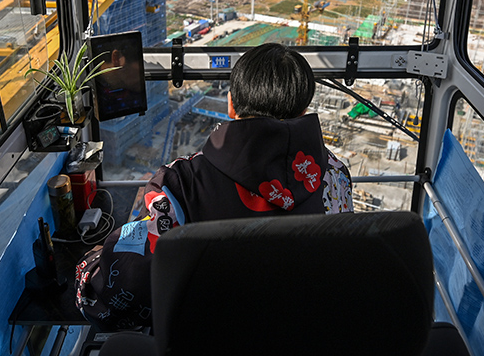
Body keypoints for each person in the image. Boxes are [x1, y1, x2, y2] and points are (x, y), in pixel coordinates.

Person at [75, 43, 353, 330]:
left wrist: (93, 261)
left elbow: (119, 293)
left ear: (231, 105)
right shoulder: (336, 178)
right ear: (304, 110)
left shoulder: (181, 183)